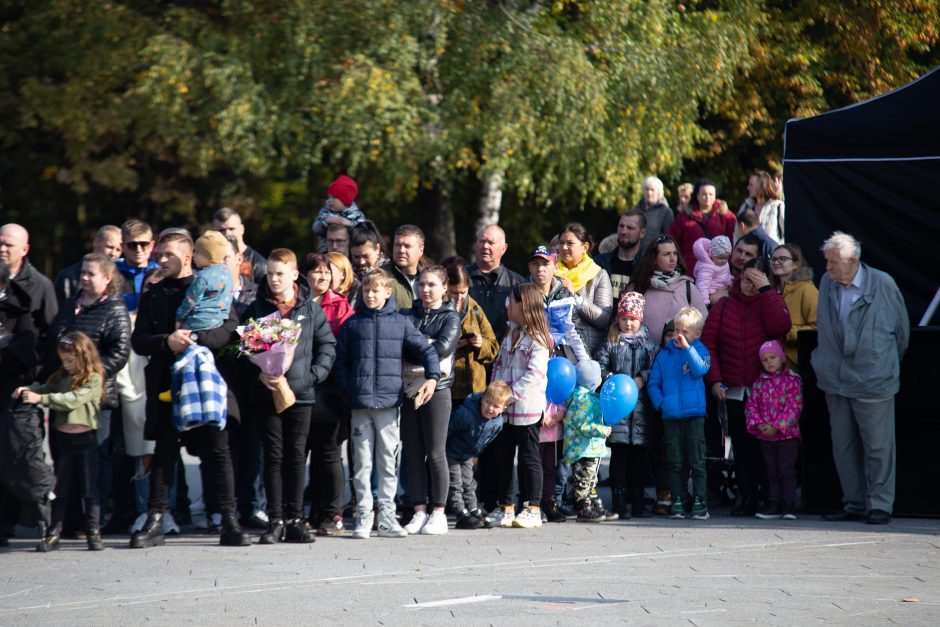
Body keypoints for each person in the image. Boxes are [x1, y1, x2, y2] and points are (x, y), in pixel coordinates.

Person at [128, 231, 250, 548]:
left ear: (187, 257)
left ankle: (229, 520)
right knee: (164, 453)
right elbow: (138, 341)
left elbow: (230, 329)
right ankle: (156, 519)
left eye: (168, 254)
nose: (160, 259)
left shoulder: (212, 283)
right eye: (159, 254)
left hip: (207, 383)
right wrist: (166, 342)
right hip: (167, 383)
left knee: (218, 452)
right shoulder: (153, 293)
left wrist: (197, 340)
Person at [333, 268, 440, 539]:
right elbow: (340, 361)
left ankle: (387, 517)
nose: (370, 295)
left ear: (388, 292)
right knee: (362, 463)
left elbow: (426, 349)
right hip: (360, 405)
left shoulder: (401, 323)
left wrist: (433, 375)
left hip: (390, 404)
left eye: (375, 291)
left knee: (387, 462)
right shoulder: (352, 324)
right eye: (366, 291)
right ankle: (364, 517)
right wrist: (348, 389)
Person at [242, 248, 337, 544]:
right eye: (269, 273)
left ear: (295, 275)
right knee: (273, 456)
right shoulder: (256, 308)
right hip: (266, 394)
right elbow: (238, 351)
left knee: (296, 456)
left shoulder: (309, 308)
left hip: (301, 394)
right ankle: (275, 520)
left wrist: (312, 376)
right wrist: (257, 372)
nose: (273, 279)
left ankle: (296, 519)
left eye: (280, 273)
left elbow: (327, 347)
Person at [813, 232, 909, 525]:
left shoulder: (883, 284)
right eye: (827, 261)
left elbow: (901, 334)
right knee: (843, 446)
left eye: (833, 262)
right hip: (835, 378)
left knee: (878, 446)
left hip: (872, 377)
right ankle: (853, 502)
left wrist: (881, 362)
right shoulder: (828, 283)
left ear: (852, 261)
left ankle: (880, 504)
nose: (827, 267)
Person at [43, 253, 131, 537]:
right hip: (64, 392)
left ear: (107, 278)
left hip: (97, 397)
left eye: (91, 274)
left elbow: (119, 353)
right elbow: (56, 335)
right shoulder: (73, 304)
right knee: (64, 457)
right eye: (83, 273)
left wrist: (87, 375)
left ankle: (95, 519)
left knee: (96, 459)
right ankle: (68, 519)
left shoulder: (114, 309)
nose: (83, 278)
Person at [701, 258, 791, 517]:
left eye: (756, 279)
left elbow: (780, 327)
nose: (749, 284)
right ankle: (747, 495)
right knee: (740, 445)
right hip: (734, 389)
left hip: (766, 389)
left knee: (766, 444)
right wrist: (715, 380)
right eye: (746, 278)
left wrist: (767, 292)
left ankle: (770, 496)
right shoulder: (725, 305)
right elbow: (710, 344)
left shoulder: (768, 301)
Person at [16, 331, 106, 551]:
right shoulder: (60, 377)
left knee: (89, 489)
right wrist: (28, 390)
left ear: (83, 356)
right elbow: (46, 387)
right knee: (61, 489)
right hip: (64, 440)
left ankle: (93, 531)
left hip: (86, 439)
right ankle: (53, 531)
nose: (66, 365)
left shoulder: (93, 378)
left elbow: (73, 399)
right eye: (63, 360)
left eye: (70, 360)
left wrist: (41, 399)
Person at [484, 284, 552, 529]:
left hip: (527, 409)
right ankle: (505, 506)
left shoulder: (539, 339)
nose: (506, 306)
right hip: (504, 411)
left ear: (523, 305)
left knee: (528, 457)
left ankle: (532, 507)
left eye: (510, 301)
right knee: (502, 456)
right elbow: (498, 365)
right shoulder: (509, 333)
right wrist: (493, 395)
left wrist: (509, 395)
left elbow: (534, 374)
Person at [400, 267, 461, 536]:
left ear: (444, 288)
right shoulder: (407, 314)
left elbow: (442, 348)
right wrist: (424, 346)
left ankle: (439, 512)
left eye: (432, 285)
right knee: (412, 451)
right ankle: (419, 510)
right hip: (408, 388)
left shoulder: (450, 317)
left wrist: (419, 348)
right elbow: (402, 344)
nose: (425, 289)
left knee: (435, 452)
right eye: (422, 284)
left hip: (438, 389)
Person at [594, 292, 658, 520]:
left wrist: (644, 377)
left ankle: (639, 501)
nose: (628, 323)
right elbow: (599, 368)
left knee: (639, 461)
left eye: (632, 318)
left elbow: (657, 370)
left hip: (641, 413)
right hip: (618, 413)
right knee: (619, 459)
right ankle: (619, 502)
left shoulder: (650, 347)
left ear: (640, 319)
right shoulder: (611, 344)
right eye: (623, 318)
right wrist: (611, 379)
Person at [648, 307, 711, 521]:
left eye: (685, 331)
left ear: (697, 334)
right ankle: (677, 499)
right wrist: (661, 404)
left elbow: (700, 370)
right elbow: (653, 383)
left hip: (694, 416)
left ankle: (700, 501)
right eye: (676, 330)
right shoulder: (664, 356)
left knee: (697, 460)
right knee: (674, 461)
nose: (678, 335)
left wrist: (687, 349)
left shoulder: (700, 350)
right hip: (671, 417)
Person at [745, 340, 803, 520]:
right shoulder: (759, 383)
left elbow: (794, 407)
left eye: (773, 357)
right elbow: (751, 405)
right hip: (766, 437)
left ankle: (788, 504)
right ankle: (774, 502)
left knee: (786, 470)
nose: (769, 362)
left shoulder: (792, 380)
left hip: (787, 437)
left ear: (782, 358)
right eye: (765, 359)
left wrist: (777, 427)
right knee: (771, 470)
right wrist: (759, 424)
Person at [445, 381, 511, 529]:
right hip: (451, 453)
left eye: (496, 406)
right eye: (487, 402)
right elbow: (448, 429)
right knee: (456, 483)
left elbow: (485, 441)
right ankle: (460, 512)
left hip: (468, 454)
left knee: (469, 482)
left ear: (503, 408)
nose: (490, 408)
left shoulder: (497, 423)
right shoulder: (465, 413)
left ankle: (473, 509)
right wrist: (440, 451)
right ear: (482, 399)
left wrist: (476, 454)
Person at [629, 234, 707, 346]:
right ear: (654, 259)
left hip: (678, 357)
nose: (672, 259)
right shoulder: (638, 286)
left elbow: (703, 322)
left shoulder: (687, 287)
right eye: (666, 254)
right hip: (641, 355)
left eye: (675, 253)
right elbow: (623, 321)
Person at [558, 359, 611, 523]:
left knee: (590, 478)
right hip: (582, 449)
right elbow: (583, 424)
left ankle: (592, 503)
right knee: (583, 479)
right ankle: (583, 507)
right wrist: (602, 430)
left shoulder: (589, 397)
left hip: (590, 448)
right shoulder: (583, 399)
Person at [442, 260, 499, 405]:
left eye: (463, 292)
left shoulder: (475, 309)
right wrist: (451, 347)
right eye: (454, 292)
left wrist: (481, 344)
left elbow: (493, 347)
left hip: (474, 390)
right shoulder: (436, 309)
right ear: (445, 287)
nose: (459, 297)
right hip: (446, 388)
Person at [555, 223, 613, 357]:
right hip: (553, 349)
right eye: (561, 243)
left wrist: (575, 297)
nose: (564, 247)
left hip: (586, 351)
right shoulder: (550, 271)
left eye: (570, 243)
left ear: (585, 247)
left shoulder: (598, 275)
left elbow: (603, 319)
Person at [527, 245, 589, 363]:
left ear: (556, 267)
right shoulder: (520, 295)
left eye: (545, 264)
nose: (540, 269)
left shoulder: (566, 295)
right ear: (529, 267)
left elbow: (574, 333)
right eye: (535, 264)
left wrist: (586, 363)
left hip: (563, 360)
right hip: (532, 359)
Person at [0, 223, 57, 344]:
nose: (2, 249)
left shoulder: (41, 285)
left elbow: (50, 331)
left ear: (24, 250)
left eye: (8, 245)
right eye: (0, 243)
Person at [667, 178, 736, 276]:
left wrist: (727, 261)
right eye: (704, 194)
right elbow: (672, 240)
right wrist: (680, 262)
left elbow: (735, 240)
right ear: (697, 196)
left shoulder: (726, 216)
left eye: (711, 194)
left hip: (719, 273)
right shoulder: (684, 216)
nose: (708, 197)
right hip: (691, 270)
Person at [467, 224, 524, 339]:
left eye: (491, 243)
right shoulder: (459, 278)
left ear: (504, 248)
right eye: (481, 241)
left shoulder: (518, 284)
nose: (485, 246)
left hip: (503, 353)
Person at [769, 243, 817, 372]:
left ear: (795, 264)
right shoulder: (770, 292)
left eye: (782, 258)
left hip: (797, 365)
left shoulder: (807, 289)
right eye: (773, 259)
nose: (776, 262)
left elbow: (817, 327)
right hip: (771, 365)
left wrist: (785, 332)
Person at [54, 225, 122, 304]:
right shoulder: (68, 278)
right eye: (109, 247)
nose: (113, 253)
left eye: (118, 250)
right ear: (95, 243)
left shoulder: (122, 278)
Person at [595, 210, 647, 302]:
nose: (623, 231)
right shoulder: (599, 263)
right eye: (621, 226)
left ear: (642, 233)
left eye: (630, 228)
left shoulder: (646, 267)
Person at [300, 253, 353, 336]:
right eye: (318, 272)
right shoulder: (293, 303)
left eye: (327, 273)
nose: (324, 278)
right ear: (304, 275)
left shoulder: (341, 306)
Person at [311, 175, 367, 252]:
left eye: (334, 197)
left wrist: (351, 224)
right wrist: (325, 221)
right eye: (329, 197)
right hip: (326, 253)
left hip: (349, 254)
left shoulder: (356, 215)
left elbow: (363, 235)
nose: (329, 200)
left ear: (345, 200)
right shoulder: (325, 212)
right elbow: (315, 229)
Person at [213, 207, 267, 286]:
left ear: (241, 229)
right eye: (221, 230)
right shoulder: (210, 260)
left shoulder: (260, 264)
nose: (227, 234)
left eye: (231, 229)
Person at [381, 224, 426, 311]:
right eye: (397, 245)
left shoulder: (432, 279)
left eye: (407, 246)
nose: (401, 250)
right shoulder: (380, 276)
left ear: (421, 250)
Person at [738, 171, 785, 245]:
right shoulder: (745, 206)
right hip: (748, 254)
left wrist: (776, 250)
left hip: (772, 254)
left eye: (751, 185)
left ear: (761, 186)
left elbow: (789, 235)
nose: (748, 187)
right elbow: (737, 234)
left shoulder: (778, 207)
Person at [633, 176, 674, 252]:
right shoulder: (637, 209)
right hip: (635, 255)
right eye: (647, 189)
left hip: (654, 255)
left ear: (659, 192)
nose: (649, 192)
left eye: (652, 190)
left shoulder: (666, 212)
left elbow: (667, 238)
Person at [692, 236, 733, 304]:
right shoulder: (706, 267)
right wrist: (704, 301)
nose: (723, 261)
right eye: (720, 258)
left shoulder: (722, 262)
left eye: (726, 258)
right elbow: (702, 285)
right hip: (711, 293)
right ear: (711, 254)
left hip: (723, 288)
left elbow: (725, 274)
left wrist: (730, 281)